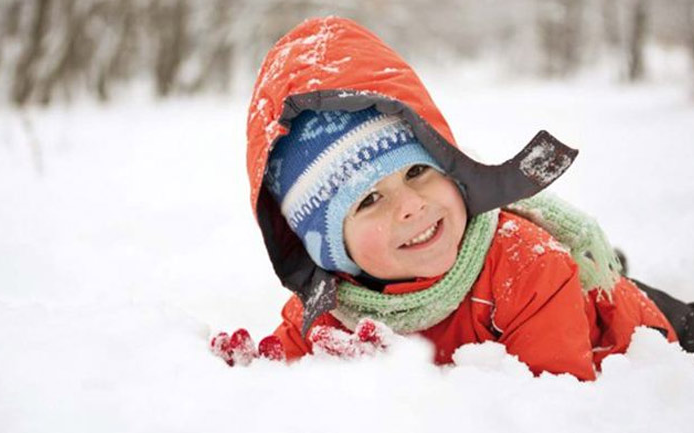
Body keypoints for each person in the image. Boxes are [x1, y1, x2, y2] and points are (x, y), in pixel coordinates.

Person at [211, 16, 694, 380]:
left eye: (419, 171)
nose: (411, 204)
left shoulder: (526, 268)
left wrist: (406, 394)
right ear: (328, 250)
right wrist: (259, 374)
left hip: (631, 329)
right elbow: (286, 367)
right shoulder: (329, 307)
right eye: (368, 200)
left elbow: (552, 404)